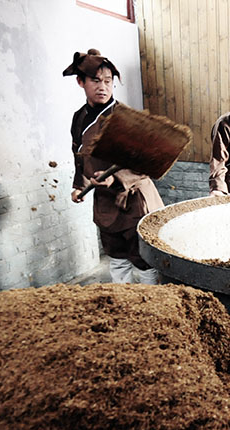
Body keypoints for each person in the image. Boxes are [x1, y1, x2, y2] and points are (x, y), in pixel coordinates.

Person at [63, 49, 163, 285]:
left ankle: (151, 305)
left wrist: (116, 178)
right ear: (81, 82)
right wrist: (79, 185)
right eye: (96, 81)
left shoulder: (125, 118)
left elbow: (145, 161)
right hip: (104, 200)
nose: (103, 87)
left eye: (108, 81)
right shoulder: (79, 118)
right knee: (116, 257)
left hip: (134, 198)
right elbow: (79, 155)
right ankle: (124, 302)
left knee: (143, 259)